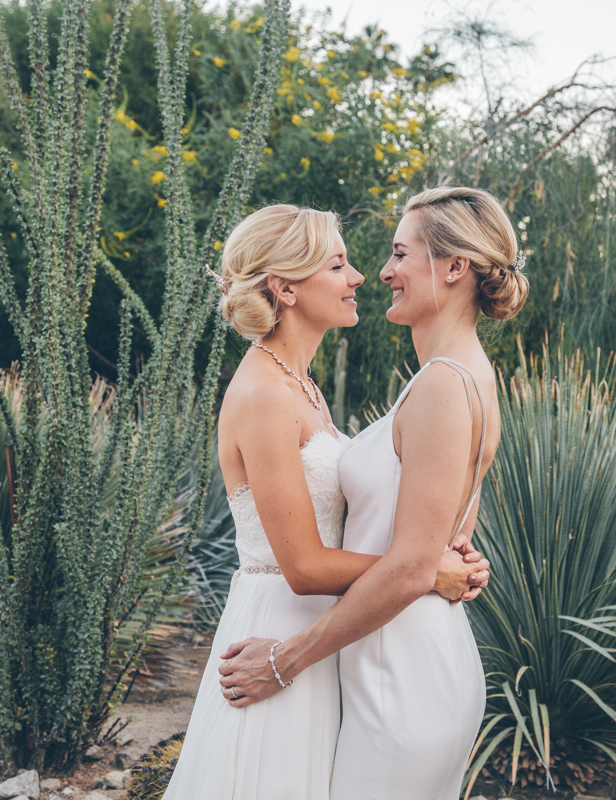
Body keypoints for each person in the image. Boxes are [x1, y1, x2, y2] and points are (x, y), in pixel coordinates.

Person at [162, 203, 490, 800]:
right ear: (285, 287)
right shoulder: (263, 392)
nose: (360, 276)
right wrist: (424, 571)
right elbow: (306, 565)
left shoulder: (301, 386)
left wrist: (438, 560)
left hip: (324, 636)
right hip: (276, 623)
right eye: (338, 264)